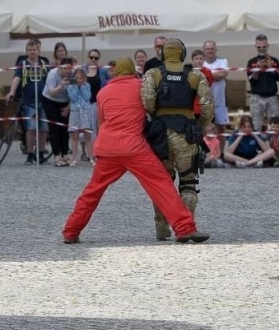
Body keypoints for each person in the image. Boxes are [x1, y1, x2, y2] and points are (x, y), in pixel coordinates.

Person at [62, 58, 208, 244]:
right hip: (135, 148)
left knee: (92, 191)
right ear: (133, 71)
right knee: (162, 184)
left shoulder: (103, 92)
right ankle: (185, 228)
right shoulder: (140, 86)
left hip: (108, 149)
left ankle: (71, 231)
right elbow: (152, 107)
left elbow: (102, 121)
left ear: (116, 72)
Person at [140, 37, 214, 241]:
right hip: (187, 133)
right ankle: (187, 226)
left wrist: (157, 114)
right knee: (188, 182)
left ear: (162, 54)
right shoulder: (195, 75)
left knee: (162, 185)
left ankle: (161, 228)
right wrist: (201, 124)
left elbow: (147, 102)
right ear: (183, 54)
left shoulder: (153, 74)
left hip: (160, 136)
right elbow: (207, 105)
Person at [9, 38, 51, 164]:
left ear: (39, 51)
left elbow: (50, 78)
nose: (32, 52)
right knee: (31, 128)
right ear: (26, 52)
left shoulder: (43, 64)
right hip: (29, 102)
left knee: (43, 129)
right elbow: (17, 78)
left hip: (43, 101)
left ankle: (41, 153)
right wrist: (11, 92)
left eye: (34, 50)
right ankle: (30, 154)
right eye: (29, 50)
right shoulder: (22, 64)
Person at [245, 34, 279, 135]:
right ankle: (256, 143)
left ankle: (274, 144)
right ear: (255, 46)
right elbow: (251, 80)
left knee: (275, 124)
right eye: (259, 47)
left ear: (268, 46)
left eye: (264, 46)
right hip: (257, 96)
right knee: (256, 124)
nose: (262, 49)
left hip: (272, 96)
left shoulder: (274, 61)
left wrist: (271, 68)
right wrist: (258, 70)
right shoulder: (251, 62)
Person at [42, 57, 76, 166]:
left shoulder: (74, 75)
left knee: (64, 128)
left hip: (65, 102)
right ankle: (57, 155)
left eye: (69, 68)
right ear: (59, 67)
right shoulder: (52, 74)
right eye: (64, 68)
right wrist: (61, 86)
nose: (67, 71)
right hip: (50, 100)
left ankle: (65, 154)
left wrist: (68, 107)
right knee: (54, 128)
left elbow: (76, 93)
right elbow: (51, 92)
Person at [66, 56, 97, 163]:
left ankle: (91, 157)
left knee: (87, 135)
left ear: (84, 78)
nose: (79, 80)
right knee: (74, 135)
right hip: (75, 112)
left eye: (81, 78)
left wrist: (82, 87)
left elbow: (87, 97)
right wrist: (75, 86)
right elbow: (73, 98)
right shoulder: (71, 86)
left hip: (85, 112)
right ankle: (74, 158)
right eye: (77, 78)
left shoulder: (87, 85)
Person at [201, 39, 231, 137]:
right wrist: (215, 76)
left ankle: (221, 148)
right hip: (204, 102)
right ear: (204, 50)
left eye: (212, 49)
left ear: (216, 50)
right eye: (207, 49)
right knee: (204, 128)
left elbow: (223, 74)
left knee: (221, 128)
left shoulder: (222, 61)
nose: (210, 51)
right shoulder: (200, 63)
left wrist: (206, 76)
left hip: (220, 101)